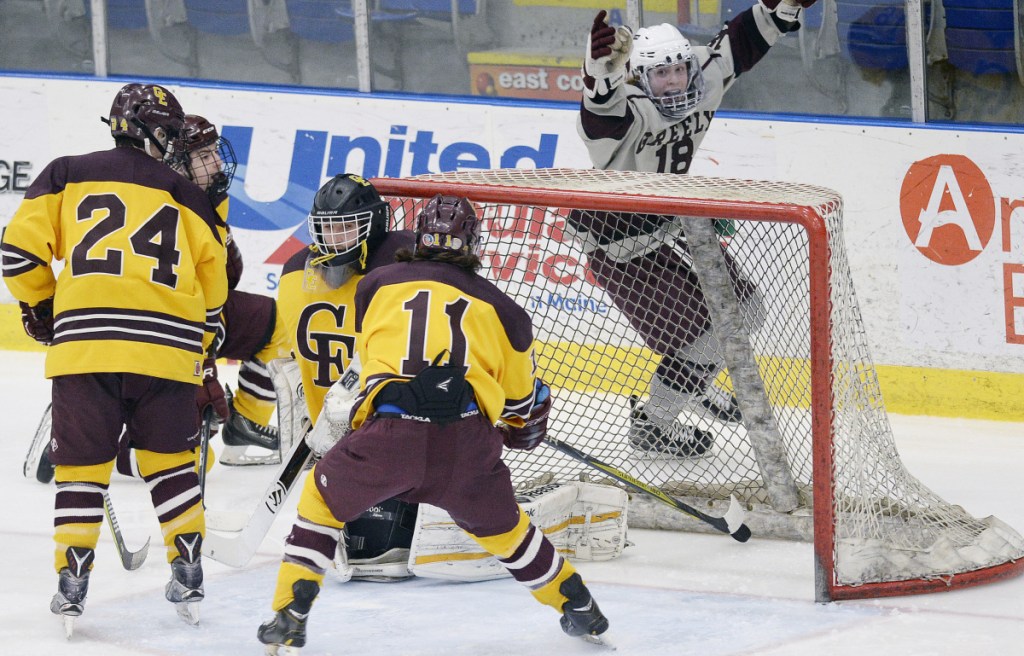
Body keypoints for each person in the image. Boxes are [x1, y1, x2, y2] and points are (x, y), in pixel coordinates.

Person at [257, 194, 609, 652]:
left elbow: (377, 354)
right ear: (473, 243)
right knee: (509, 534)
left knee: (321, 503)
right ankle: (576, 603)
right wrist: (522, 429)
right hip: (465, 445)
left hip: (389, 438)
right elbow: (522, 405)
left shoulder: (375, 286)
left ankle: (292, 609)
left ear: (419, 236)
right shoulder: (507, 312)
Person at [1, 83, 226, 631]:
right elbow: (214, 295)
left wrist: (41, 303)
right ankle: (189, 567)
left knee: (80, 469)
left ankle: (72, 580)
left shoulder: (65, 171)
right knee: (171, 464)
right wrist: (197, 347)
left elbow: (16, 254)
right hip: (169, 353)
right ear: (155, 134)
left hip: (86, 348)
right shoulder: (189, 195)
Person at [569, 3, 811, 456]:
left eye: (679, 69)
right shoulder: (631, 110)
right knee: (705, 340)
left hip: (672, 221)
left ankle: (691, 387)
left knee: (748, 311)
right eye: (661, 75)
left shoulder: (702, 77)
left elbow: (742, 41)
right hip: (620, 245)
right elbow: (600, 113)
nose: (676, 81)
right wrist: (598, 76)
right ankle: (654, 424)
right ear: (639, 77)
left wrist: (781, 7)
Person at [274, 173, 420, 576]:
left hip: (360, 434)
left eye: (345, 229)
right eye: (327, 230)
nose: (334, 241)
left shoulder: (293, 271)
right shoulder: (401, 265)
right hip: (351, 437)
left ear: (372, 226)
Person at [178, 114, 291, 466]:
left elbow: (225, 276)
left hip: (207, 313)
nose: (217, 162)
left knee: (275, 322)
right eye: (205, 155)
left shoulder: (209, 196)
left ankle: (247, 420)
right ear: (179, 163)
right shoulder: (164, 203)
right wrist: (206, 366)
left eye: (215, 152)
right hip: (167, 328)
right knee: (193, 459)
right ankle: (92, 442)